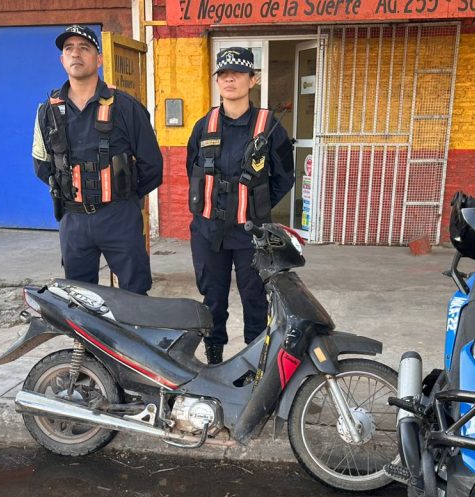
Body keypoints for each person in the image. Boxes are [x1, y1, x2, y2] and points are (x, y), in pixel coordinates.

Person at [32, 25, 162, 295]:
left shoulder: (126, 107)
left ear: (99, 59)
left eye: (84, 48)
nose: (75, 54)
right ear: (62, 60)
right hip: (74, 220)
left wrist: (124, 197)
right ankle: (85, 341)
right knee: (79, 298)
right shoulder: (48, 111)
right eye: (69, 49)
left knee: (135, 294)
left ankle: (133, 336)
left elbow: (153, 166)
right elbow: (42, 166)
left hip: (120, 216)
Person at [186, 47, 294, 364]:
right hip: (208, 232)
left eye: (237, 73)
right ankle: (215, 361)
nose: (229, 78)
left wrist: (255, 205)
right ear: (218, 81)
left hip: (251, 234)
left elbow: (284, 177)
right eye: (223, 73)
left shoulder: (269, 126)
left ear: (253, 80)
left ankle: (254, 366)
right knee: (212, 302)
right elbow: (192, 170)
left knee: (255, 302)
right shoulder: (203, 125)